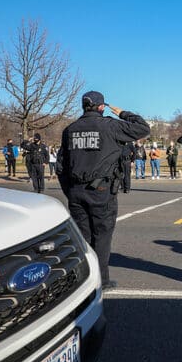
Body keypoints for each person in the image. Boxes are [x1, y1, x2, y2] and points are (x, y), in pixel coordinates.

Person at [57, 91, 150, 290]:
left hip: (76, 190)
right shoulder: (110, 125)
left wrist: (69, 191)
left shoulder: (70, 129)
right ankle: (101, 280)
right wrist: (123, 113)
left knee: (83, 236)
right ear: (101, 107)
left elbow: (61, 166)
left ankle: (84, 277)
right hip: (101, 190)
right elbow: (143, 128)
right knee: (102, 235)